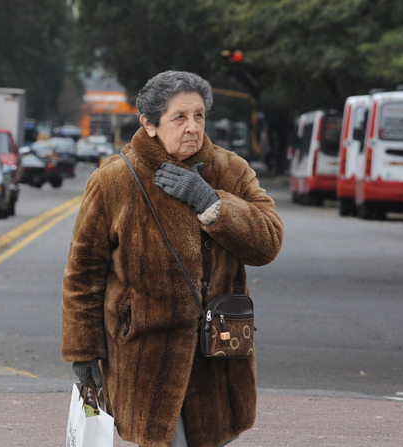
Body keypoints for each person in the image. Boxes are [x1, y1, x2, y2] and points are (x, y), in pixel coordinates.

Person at [62, 70, 283, 447]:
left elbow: (268, 242)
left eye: (199, 115)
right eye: (179, 117)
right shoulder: (115, 180)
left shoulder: (231, 170)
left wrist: (210, 202)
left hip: (218, 355)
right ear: (148, 123)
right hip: (145, 356)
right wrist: (83, 353)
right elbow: (84, 275)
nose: (192, 127)